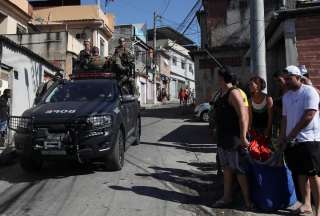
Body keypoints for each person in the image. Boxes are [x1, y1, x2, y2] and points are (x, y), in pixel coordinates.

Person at [278, 65, 320, 216]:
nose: (286, 81)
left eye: (289, 79)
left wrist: (292, 134)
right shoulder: (286, 96)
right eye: (285, 79)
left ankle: (319, 209)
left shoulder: (309, 92)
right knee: (300, 173)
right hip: (292, 141)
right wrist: (282, 137)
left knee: (313, 174)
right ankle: (306, 204)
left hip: (309, 139)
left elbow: (309, 115)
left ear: (298, 77)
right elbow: (284, 118)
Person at [213, 68, 252, 209]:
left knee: (239, 170)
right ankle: (226, 197)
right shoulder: (221, 93)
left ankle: (248, 201)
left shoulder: (234, 93)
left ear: (223, 78)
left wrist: (243, 136)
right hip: (223, 138)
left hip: (234, 139)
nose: (217, 80)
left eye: (218, 77)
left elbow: (244, 115)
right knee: (227, 169)